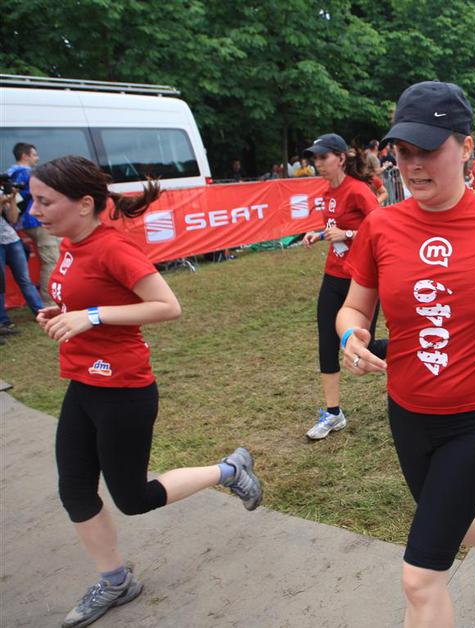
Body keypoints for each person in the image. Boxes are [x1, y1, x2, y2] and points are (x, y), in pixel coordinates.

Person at [335, 81, 475, 628]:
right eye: (403, 151)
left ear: (465, 148)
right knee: (453, 514)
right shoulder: (380, 226)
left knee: (420, 578)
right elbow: (353, 308)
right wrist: (350, 338)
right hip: (409, 411)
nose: (413, 165)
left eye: (428, 149)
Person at [28, 155, 262, 627]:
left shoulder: (113, 248)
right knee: (74, 490)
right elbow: (88, 298)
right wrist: (63, 314)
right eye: (34, 200)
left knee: (133, 498)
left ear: (84, 203)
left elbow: (167, 305)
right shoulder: (71, 244)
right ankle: (115, 581)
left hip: (122, 389)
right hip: (82, 383)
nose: (34, 211)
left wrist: (92, 316)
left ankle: (229, 470)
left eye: (44, 201)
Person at [300, 134, 386, 440]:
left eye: (323, 157)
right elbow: (334, 228)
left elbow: (381, 229)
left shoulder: (358, 190)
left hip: (361, 278)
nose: (318, 164)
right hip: (333, 275)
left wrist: (347, 234)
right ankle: (333, 413)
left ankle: (412, 350)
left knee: (363, 345)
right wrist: (319, 234)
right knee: (326, 341)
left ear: (340, 158)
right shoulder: (327, 193)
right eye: (315, 158)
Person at [8, 142, 60, 306]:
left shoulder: (10, 174)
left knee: (50, 260)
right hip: (38, 221)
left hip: (26, 222)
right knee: (51, 261)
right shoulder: (27, 173)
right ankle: (50, 301)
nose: (37, 158)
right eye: (34, 155)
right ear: (25, 156)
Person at [1, 187, 45, 333]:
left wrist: (12, 198)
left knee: (25, 279)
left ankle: (40, 312)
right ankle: (3, 321)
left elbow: (13, 219)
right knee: (0, 284)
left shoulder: (3, 194)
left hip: (12, 240)